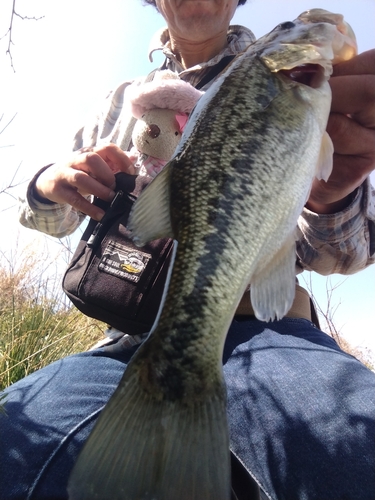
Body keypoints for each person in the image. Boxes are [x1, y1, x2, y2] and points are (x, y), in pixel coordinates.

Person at [2, 1, 375, 499]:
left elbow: (343, 255)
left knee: (356, 454)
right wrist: (46, 187)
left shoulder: (298, 84)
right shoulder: (120, 99)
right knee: (14, 451)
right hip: (135, 341)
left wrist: (332, 195)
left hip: (271, 329)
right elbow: (51, 219)